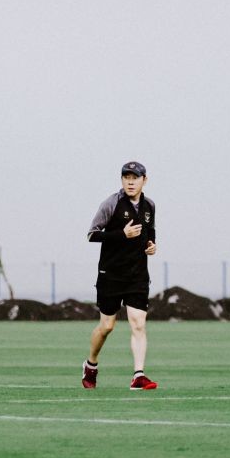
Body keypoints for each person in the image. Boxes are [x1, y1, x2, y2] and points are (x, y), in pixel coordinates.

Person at [82, 161, 158, 390]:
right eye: (126, 177)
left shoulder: (150, 206)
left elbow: (150, 232)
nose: (131, 181)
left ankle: (138, 376)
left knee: (138, 323)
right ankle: (91, 365)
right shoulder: (111, 204)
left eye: (135, 177)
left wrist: (152, 246)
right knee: (107, 326)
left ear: (145, 180)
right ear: (122, 180)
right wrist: (121, 234)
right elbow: (91, 235)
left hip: (137, 276)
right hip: (111, 275)